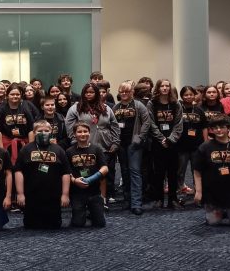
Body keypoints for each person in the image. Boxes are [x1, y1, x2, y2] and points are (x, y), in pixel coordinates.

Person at [64, 83, 120, 206]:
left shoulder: (106, 108)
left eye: (92, 92)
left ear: (97, 94)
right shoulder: (76, 108)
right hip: (82, 146)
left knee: (103, 173)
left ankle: (102, 199)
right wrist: (75, 141)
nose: (89, 94)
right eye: (86, 92)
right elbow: (69, 126)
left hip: (104, 146)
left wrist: (115, 142)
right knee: (85, 171)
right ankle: (83, 201)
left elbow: (114, 126)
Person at [15, 120, 71, 229]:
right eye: (40, 131)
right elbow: (18, 171)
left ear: (51, 132)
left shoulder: (59, 150)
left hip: (53, 197)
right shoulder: (25, 150)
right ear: (34, 132)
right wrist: (20, 193)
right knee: (31, 226)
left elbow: (65, 173)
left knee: (54, 226)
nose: (43, 133)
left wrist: (65, 194)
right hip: (31, 196)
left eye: (46, 130)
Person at [112, 81, 151, 215]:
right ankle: (127, 200)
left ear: (132, 92)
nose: (124, 94)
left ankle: (136, 203)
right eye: (121, 91)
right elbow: (112, 124)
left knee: (135, 172)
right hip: (120, 144)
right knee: (124, 172)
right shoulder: (115, 107)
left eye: (127, 91)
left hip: (134, 145)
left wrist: (140, 137)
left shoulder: (138, 105)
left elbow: (146, 121)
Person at [147, 79, 183, 209]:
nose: (165, 88)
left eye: (167, 86)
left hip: (173, 143)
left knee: (173, 172)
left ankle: (173, 199)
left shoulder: (176, 104)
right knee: (159, 173)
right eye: (162, 86)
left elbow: (179, 124)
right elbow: (151, 123)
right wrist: (162, 138)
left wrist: (170, 139)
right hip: (158, 143)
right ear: (158, 88)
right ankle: (159, 199)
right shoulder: (152, 103)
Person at [66, 121, 108, 228]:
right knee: (78, 223)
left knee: (100, 224)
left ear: (89, 133)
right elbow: (67, 172)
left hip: (94, 191)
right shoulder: (69, 151)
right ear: (74, 134)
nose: (83, 134)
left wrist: (91, 179)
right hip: (77, 192)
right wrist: (75, 181)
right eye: (79, 132)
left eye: (85, 131)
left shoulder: (96, 149)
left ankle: (92, 212)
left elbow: (105, 168)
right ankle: (81, 213)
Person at [177, 86, 207, 200]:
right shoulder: (179, 109)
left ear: (194, 95)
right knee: (180, 170)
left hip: (197, 146)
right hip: (182, 146)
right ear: (182, 96)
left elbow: (204, 127)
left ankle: (198, 192)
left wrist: (205, 143)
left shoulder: (199, 110)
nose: (188, 97)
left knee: (196, 170)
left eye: (191, 94)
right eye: (186, 95)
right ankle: (179, 191)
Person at [0, 84, 37, 165]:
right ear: (7, 95)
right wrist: (1, 150)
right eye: (12, 94)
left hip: (24, 143)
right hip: (6, 143)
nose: (15, 96)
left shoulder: (25, 108)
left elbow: (31, 129)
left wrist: (31, 147)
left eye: (17, 94)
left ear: (21, 96)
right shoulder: (1, 110)